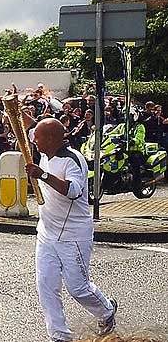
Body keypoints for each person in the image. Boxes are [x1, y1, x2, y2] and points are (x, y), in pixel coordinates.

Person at [25, 118, 117, 342]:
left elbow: (74, 191)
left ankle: (106, 311)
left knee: (78, 288)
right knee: (45, 285)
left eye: (37, 138)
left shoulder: (73, 160)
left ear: (49, 139)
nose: (33, 141)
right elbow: (30, 128)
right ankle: (59, 335)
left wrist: (42, 176)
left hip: (73, 235)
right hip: (47, 233)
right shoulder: (46, 149)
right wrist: (16, 110)